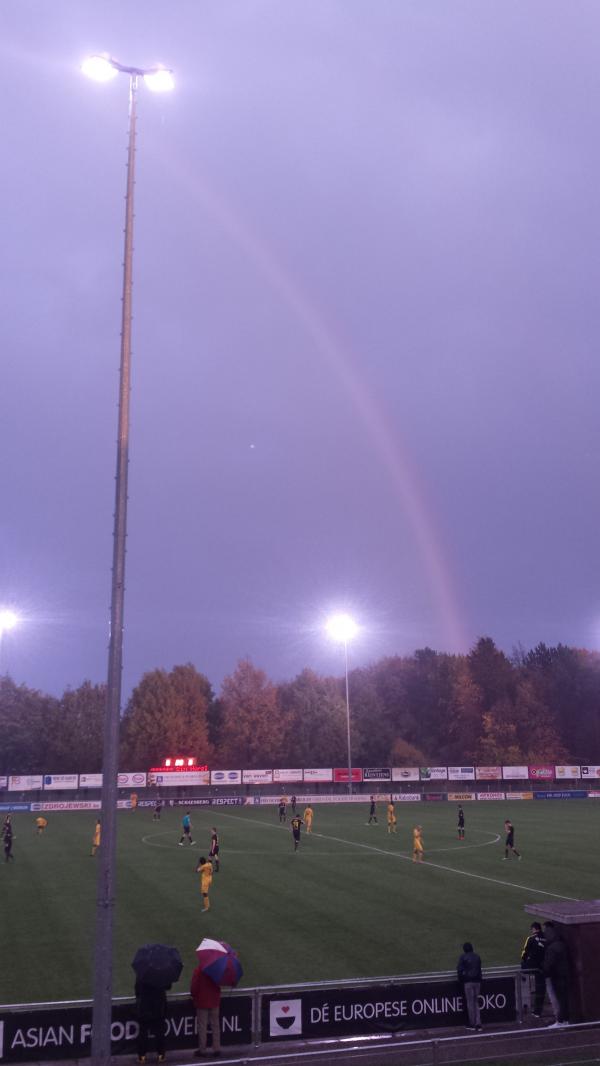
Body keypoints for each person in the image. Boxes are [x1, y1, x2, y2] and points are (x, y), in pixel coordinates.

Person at [191, 962, 221, 1057]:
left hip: (202, 1002)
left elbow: (194, 987)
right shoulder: (216, 969)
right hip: (214, 1001)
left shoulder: (199, 970)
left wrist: (194, 995)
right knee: (215, 1025)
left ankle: (202, 1049)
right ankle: (217, 1048)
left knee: (202, 1026)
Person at [543, 921, 569, 1027]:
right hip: (564, 974)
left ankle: (561, 1021)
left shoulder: (551, 948)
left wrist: (544, 969)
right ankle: (564, 1020)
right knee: (564, 998)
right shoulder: (562, 944)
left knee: (560, 999)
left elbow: (549, 965)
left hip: (557, 976)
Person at [135, 978, 167, 1064]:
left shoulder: (142, 973)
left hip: (144, 1009)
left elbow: (137, 990)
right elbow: (168, 986)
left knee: (143, 1033)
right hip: (158, 1009)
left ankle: (142, 1057)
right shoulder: (161, 973)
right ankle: (161, 1055)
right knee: (159, 1032)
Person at [521, 921, 546, 1019]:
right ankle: (538, 1011)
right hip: (545, 967)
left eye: (532, 929)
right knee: (542, 989)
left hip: (534, 967)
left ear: (534, 929)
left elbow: (524, 953)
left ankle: (535, 1011)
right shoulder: (547, 938)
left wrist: (524, 962)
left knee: (538, 987)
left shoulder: (530, 939)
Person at [457, 941, 482, 1031]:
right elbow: (479, 970)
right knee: (476, 1002)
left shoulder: (463, 957)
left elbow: (460, 970)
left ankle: (472, 1024)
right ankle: (478, 1023)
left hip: (468, 982)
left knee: (470, 1003)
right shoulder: (477, 956)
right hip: (477, 982)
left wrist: (461, 980)